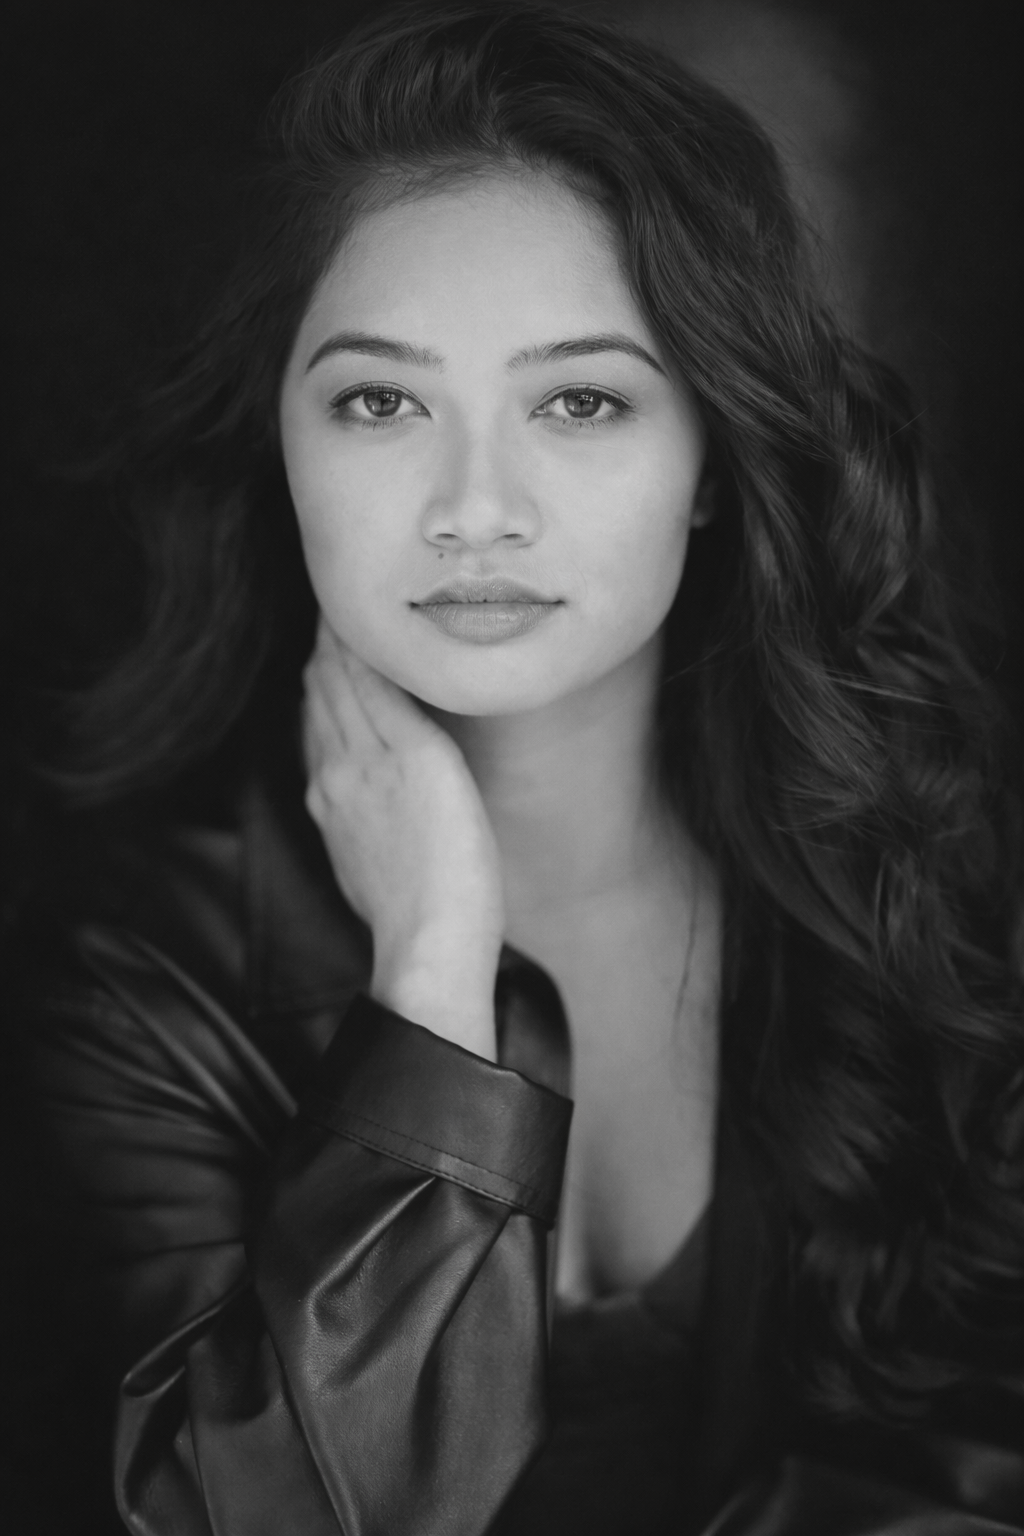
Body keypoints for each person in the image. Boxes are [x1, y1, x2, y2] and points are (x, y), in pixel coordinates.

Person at [24, 3, 1024, 1532]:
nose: (473, 507)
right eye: (379, 401)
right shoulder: (136, 983)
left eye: (580, 401)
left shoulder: (931, 885)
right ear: (279, 446)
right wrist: (428, 983)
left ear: (711, 464)